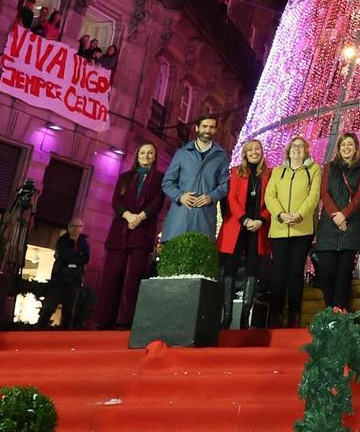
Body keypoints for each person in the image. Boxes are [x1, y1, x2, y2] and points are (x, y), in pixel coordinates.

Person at [92, 143, 165, 329]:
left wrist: (140, 217)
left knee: (133, 279)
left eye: (150, 153)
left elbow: (157, 203)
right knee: (111, 276)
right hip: (120, 233)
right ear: (137, 155)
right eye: (142, 152)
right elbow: (116, 201)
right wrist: (128, 216)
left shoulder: (159, 178)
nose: (146, 156)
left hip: (142, 234)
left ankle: (125, 320)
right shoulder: (125, 177)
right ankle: (103, 319)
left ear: (154, 157)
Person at [264, 136, 321, 327]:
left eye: (301, 146)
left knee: (296, 273)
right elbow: (270, 196)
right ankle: (275, 314)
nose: (297, 149)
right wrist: (280, 214)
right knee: (279, 273)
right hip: (279, 230)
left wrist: (299, 215)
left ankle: (294, 315)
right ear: (288, 151)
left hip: (302, 230)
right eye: (293, 146)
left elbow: (314, 196)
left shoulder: (314, 170)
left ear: (306, 150)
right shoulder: (277, 171)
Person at [217, 138, 271, 327]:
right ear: (245, 154)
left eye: (257, 149)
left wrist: (261, 220)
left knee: (252, 269)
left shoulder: (269, 174)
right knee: (229, 269)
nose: (254, 152)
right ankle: (227, 316)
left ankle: (245, 318)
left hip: (258, 228)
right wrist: (245, 219)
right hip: (237, 225)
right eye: (250, 150)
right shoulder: (236, 172)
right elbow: (231, 198)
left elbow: (272, 201)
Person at [315, 132, 360, 312]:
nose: (347, 147)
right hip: (329, 226)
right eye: (343, 144)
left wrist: (344, 214)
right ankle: (330, 310)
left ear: (356, 148)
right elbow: (325, 192)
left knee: (344, 274)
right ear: (339, 148)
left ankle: (341, 311)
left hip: (352, 225)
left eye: (350, 144)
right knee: (326, 271)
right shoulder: (329, 167)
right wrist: (336, 215)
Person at [161, 113, 230, 241]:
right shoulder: (182, 153)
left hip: (205, 219)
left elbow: (224, 185)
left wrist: (211, 197)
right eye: (204, 126)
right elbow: (167, 182)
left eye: (211, 127)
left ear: (215, 130)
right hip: (180, 218)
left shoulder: (221, 156)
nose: (207, 130)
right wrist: (180, 196)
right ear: (197, 128)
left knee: (200, 251)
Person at [37, 218, 90, 330]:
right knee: (49, 308)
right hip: (59, 279)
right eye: (74, 226)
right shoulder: (62, 241)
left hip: (74, 280)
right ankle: (39, 331)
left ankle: (64, 335)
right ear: (69, 227)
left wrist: (73, 261)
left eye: (79, 226)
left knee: (68, 313)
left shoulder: (84, 243)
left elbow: (85, 258)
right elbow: (63, 256)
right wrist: (76, 259)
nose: (76, 229)